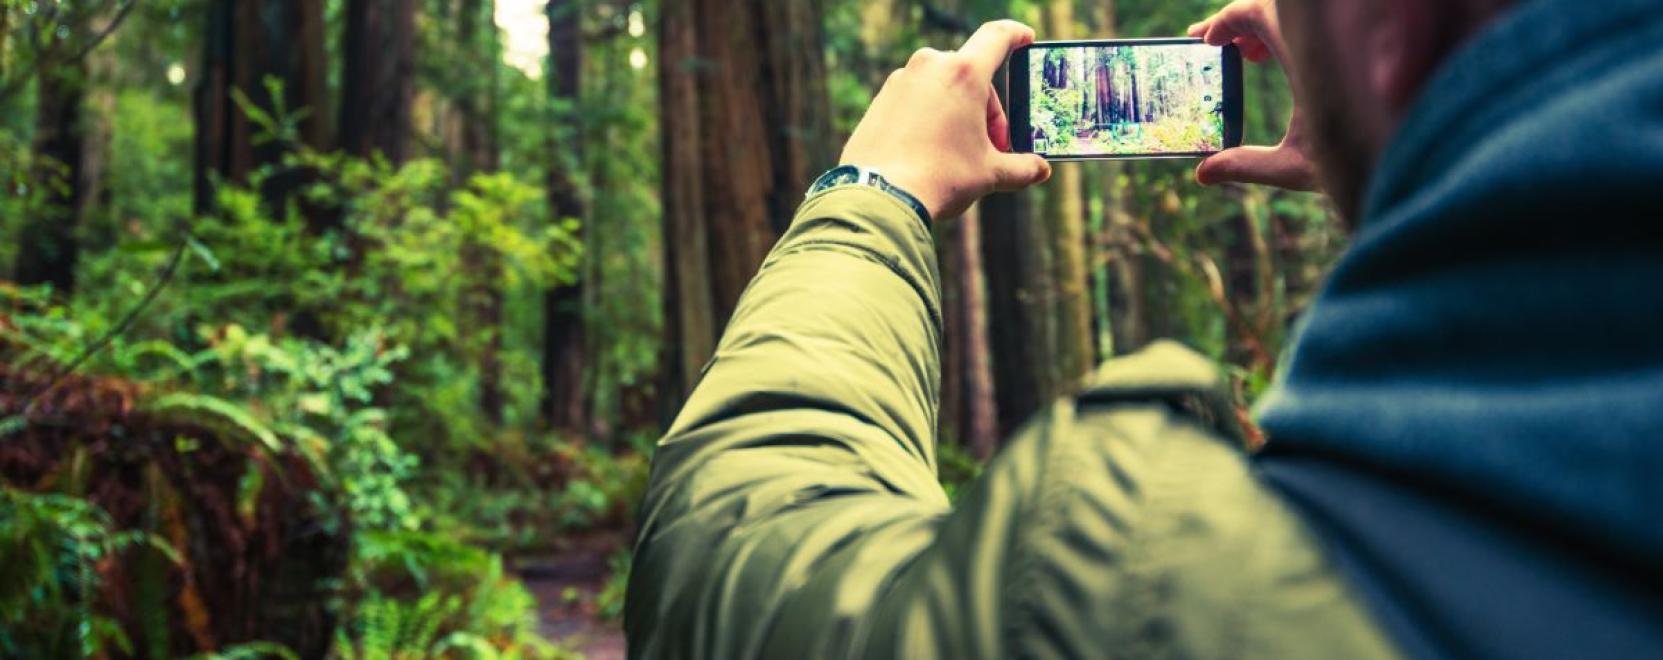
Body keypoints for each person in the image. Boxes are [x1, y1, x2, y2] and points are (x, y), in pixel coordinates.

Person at [625, 0, 1663, 657]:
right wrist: (1410, 143)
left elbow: (736, 536)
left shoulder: (1129, 597)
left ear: (1393, 28)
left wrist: (874, 191)